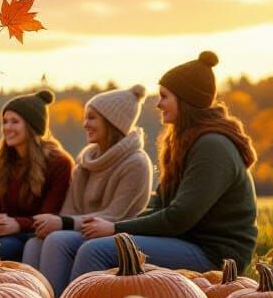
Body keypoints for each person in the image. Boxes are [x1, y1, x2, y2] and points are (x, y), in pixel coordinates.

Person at [68, 51, 258, 281]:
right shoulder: (184, 141)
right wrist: (115, 226)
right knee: (73, 242)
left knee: (96, 250)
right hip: (186, 240)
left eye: (165, 96)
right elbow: (161, 206)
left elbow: (179, 217)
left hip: (215, 254)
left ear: (186, 100)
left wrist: (116, 229)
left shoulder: (212, 146)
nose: (159, 104)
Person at [22, 85, 153, 296]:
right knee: (34, 243)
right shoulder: (86, 160)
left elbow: (114, 215)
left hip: (114, 233)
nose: (85, 124)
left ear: (112, 122)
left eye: (92, 118)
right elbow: (70, 209)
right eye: (85, 118)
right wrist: (57, 222)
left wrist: (64, 223)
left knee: (57, 240)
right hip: (83, 230)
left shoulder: (136, 162)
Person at [0, 90, 73, 263]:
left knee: (1, 248)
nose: (7, 128)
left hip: (30, 233)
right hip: (1, 229)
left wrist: (18, 224)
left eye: (15, 122)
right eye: (5, 122)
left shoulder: (59, 163)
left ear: (32, 125)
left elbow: (50, 214)